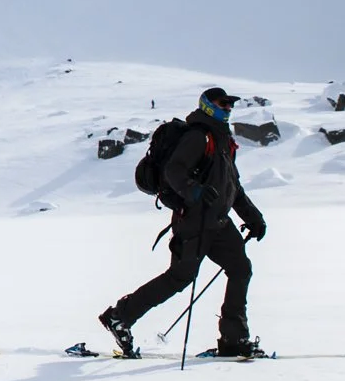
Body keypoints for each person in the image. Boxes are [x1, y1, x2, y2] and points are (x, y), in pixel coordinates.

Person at [100, 87, 270, 358]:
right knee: (180, 277)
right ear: (207, 106)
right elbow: (173, 171)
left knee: (240, 269)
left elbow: (233, 187)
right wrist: (195, 192)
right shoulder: (198, 136)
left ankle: (234, 339)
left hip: (218, 222)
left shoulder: (223, 140)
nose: (228, 108)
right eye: (222, 103)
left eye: (230, 104)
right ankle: (119, 316)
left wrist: (254, 218)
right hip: (194, 221)